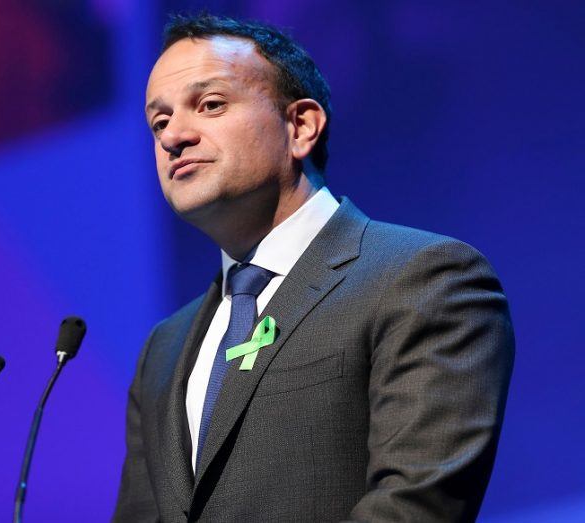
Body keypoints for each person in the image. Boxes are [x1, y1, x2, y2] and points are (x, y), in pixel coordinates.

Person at [114, 13, 514, 522]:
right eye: (159, 122)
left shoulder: (422, 279)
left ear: (300, 126)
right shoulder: (165, 348)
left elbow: (415, 507)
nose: (174, 137)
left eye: (210, 105)